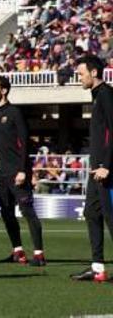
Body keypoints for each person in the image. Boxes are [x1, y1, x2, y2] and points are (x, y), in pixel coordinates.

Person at [0, 76, 45, 266]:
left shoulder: (14, 113)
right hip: (2, 175)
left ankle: (39, 255)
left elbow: (25, 143)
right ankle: (18, 252)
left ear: (3, 90)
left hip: (17, 173)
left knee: (28, 212)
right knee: (6, 213)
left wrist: (23, 170)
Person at [71, 55, 113, 282]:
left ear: (94, 72)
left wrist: (107, 165)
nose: (79, 77)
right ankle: (98, 268)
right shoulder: (97, 97)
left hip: (106, 170)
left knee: (111, 217)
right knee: (91, 213)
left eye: (81, 73)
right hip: (96, 170)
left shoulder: (107, 95)